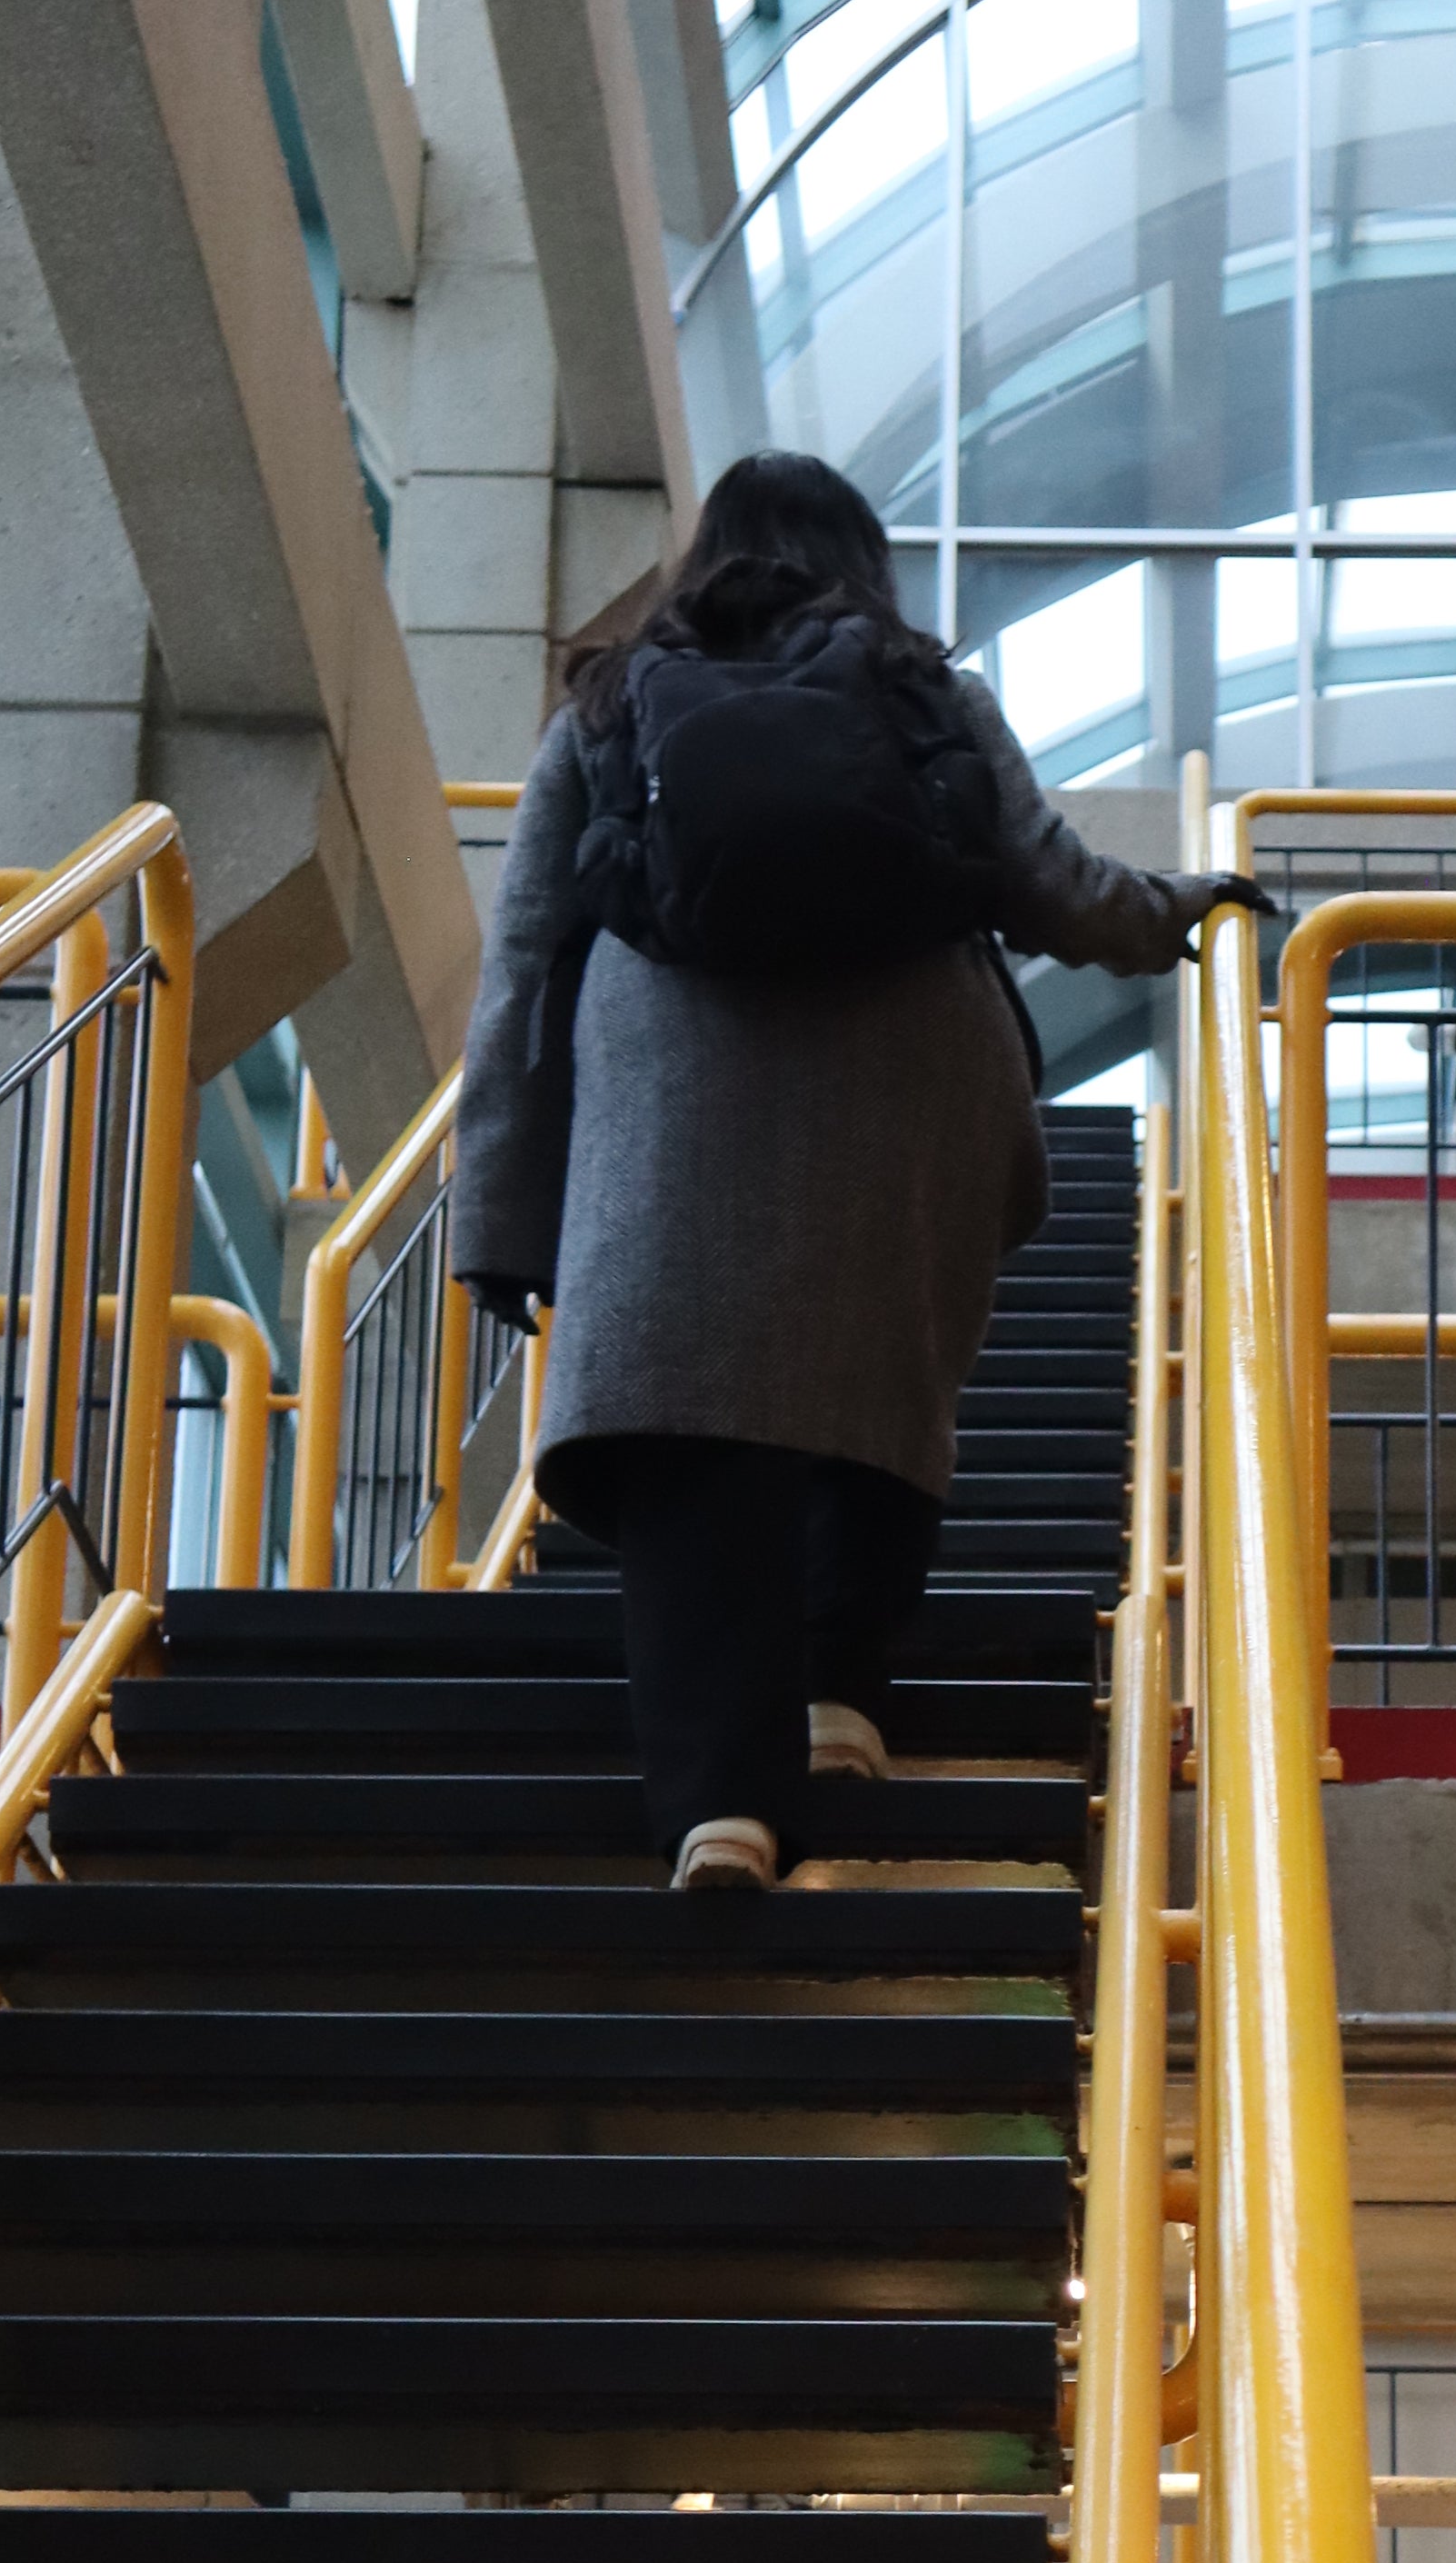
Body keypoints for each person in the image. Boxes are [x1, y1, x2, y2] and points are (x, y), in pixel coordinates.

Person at [449, 449, 1258, 1886]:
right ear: (861, 559)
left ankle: (723, 1807)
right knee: (881, 1370)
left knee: (696, 1419)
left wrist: (502, 1214)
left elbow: (523, 963)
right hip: (909, 1086)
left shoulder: (609, 701)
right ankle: (835, 1698)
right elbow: (1054, 882)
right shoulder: (919, 685)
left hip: (676, 1105)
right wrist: (1187, 909)